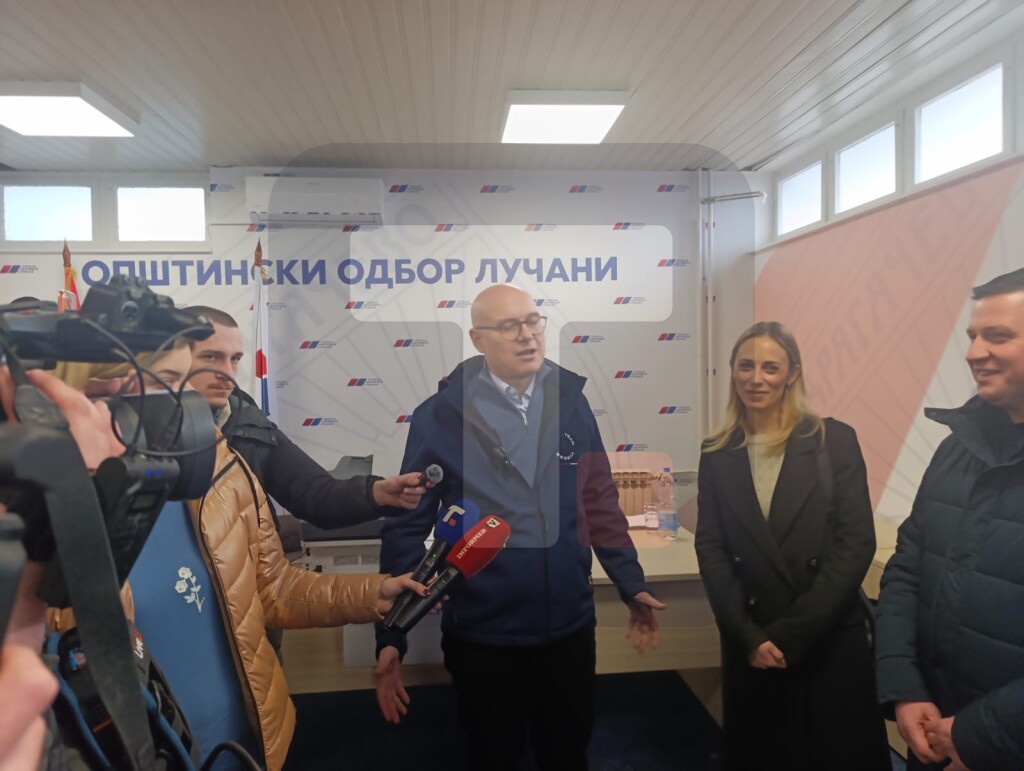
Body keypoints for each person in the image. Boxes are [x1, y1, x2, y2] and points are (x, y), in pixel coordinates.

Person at [50, 345, 429, 770]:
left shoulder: (221, 464)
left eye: (175, 382)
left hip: (244, 746)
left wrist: (373, 594)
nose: (164, 401)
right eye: (135, 381)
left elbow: (272, 588)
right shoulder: (37, 503)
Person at [375, 283, 665, 771]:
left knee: (567, 755)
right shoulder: (438, 417)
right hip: (483, 635)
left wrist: (630, 582)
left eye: (533, 321)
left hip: (568, 627)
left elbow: (598, 499)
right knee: (494, 757)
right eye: (509, 326)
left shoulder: (571, 403)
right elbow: (407, 525)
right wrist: (391, 635)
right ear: (478, 339)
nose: (528, 335)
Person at [694, 321, 890, 771]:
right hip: (753, 642)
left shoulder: (832, 441)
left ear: (792, 373)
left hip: (826, 639)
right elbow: (712, 547)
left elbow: (856, 542)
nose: (756, 378)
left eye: (770, 367)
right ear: (732, 370)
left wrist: (790, 635)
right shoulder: (717, 451)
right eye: (746, 366)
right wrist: (748, 635)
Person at [875, 268, 1024, 771]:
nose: (974, 352)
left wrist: (981, 736)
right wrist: (904, 688)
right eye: (973, 336)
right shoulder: (954, 450)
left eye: (997, 336)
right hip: (934, 732)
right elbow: (907, 569)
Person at [184, 306, 428, 527]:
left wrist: (375, 493)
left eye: (235, 359)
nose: (227, 373)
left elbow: (316, 496)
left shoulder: (248, 421)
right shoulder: (158, 434)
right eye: (211, 357)